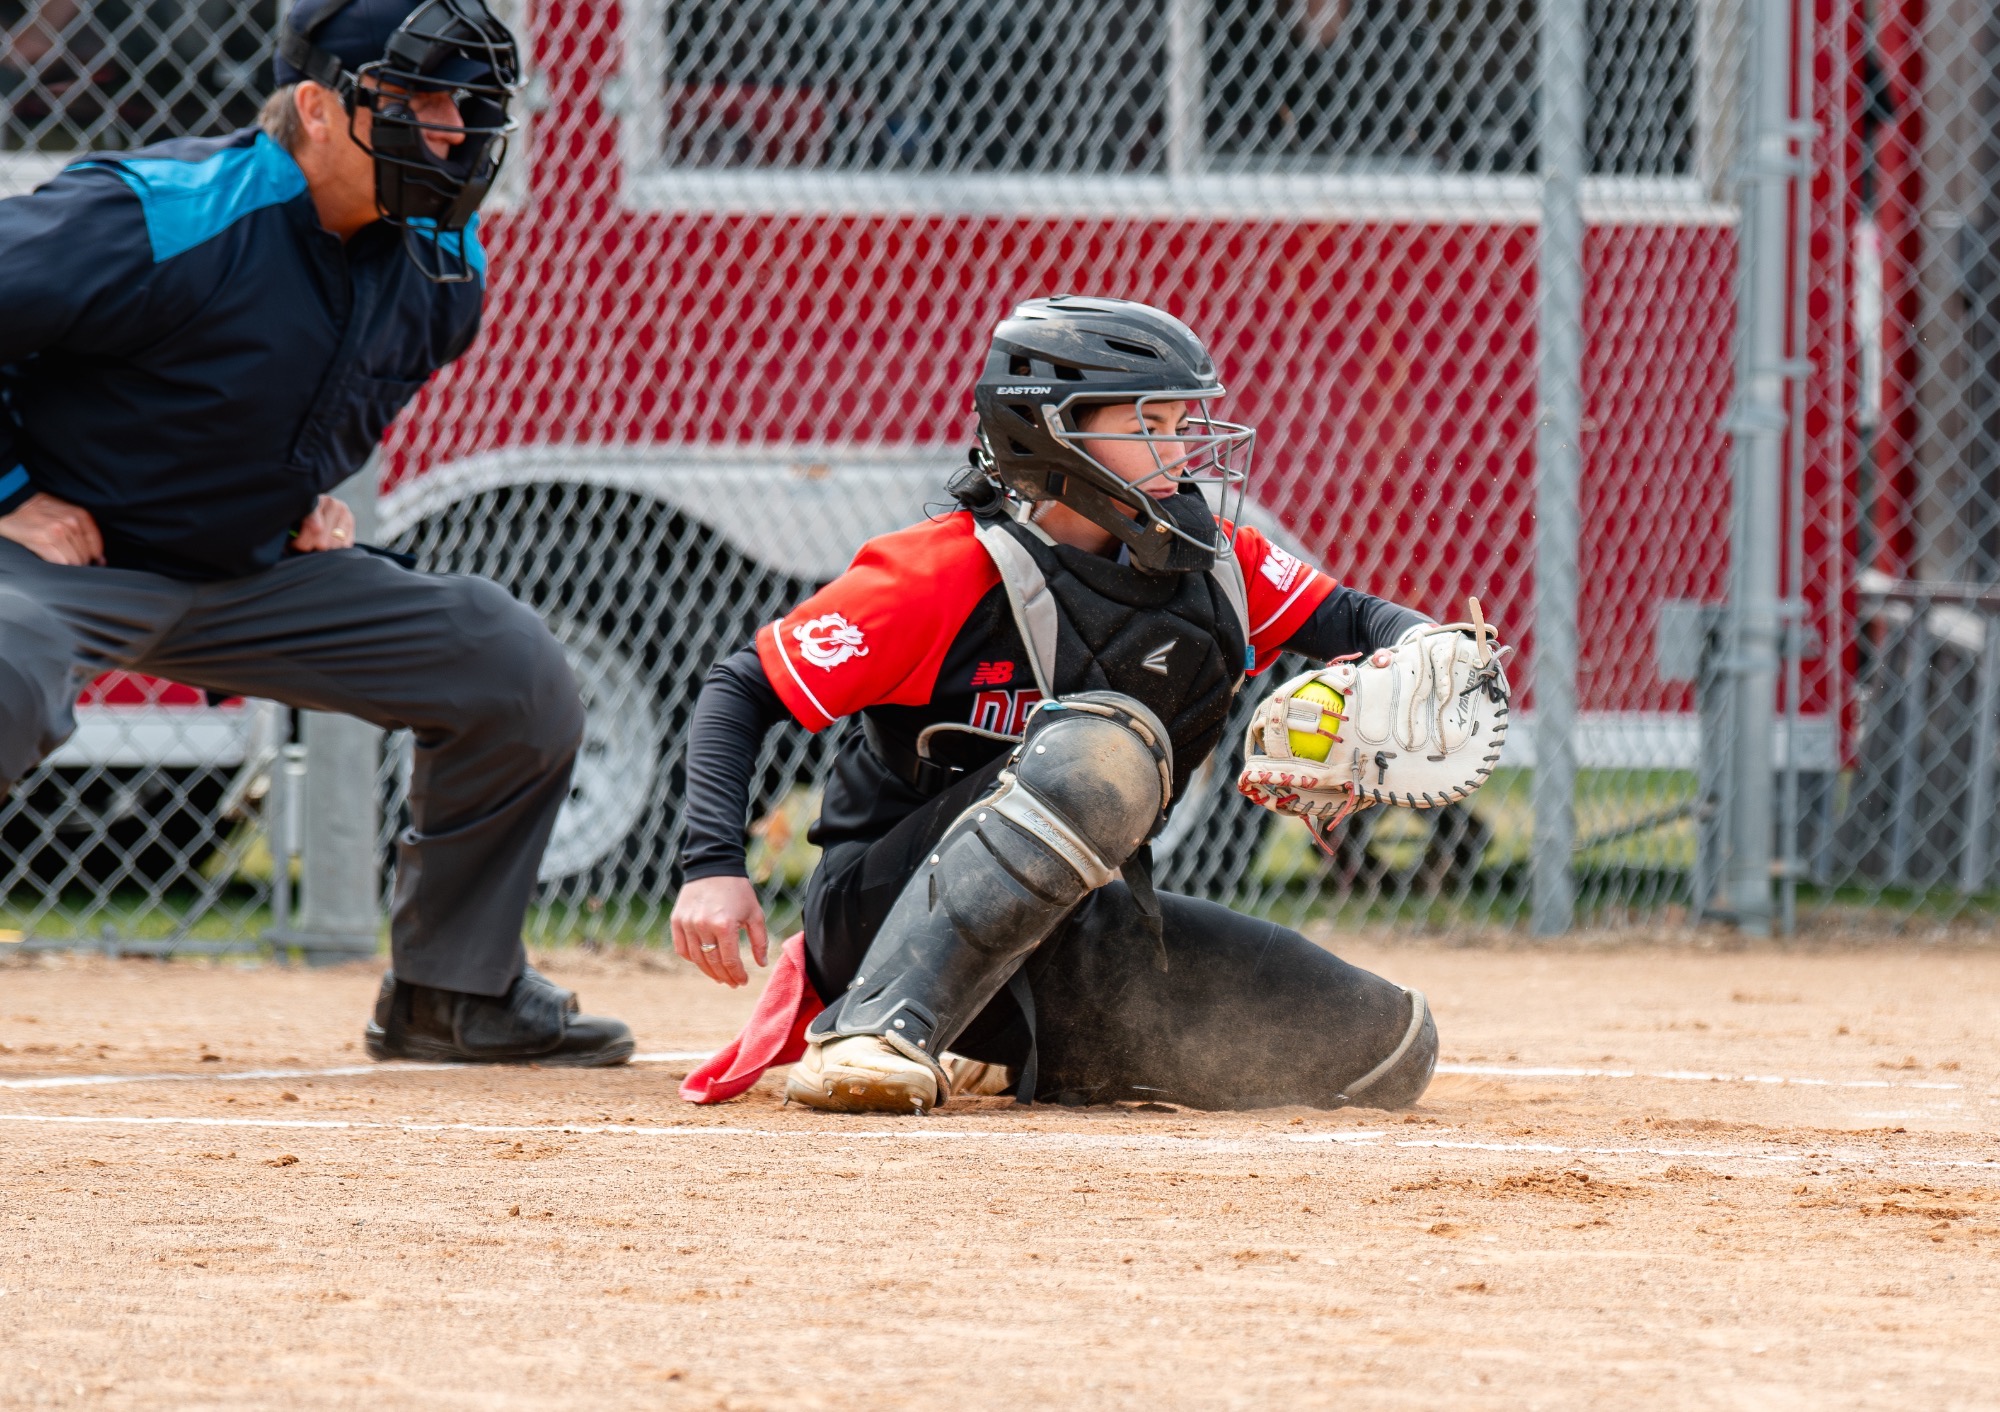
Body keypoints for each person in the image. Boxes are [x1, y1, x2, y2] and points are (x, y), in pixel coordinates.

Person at [0, 0, 632, 1065]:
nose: (450, 128)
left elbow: (299, 390)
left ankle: (451, 992)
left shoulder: (440, 263)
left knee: (508, 665)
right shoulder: (163, 214)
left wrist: (291, 489)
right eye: (417, 98)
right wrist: (11, 487)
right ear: (317, 107)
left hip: (247, 570)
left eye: (465, 103)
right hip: (72, 559)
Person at [671, 295, 1441, 1113]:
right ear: (1055, 430)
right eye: (1152, 422)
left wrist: (1430, 649)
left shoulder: (1210, 564)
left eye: (1184, 422)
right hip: (875, 916)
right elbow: (741, 686)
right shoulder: (943, 573)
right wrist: (712, 868)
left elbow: (1353, 618)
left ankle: (989, 1048)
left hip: (1051, 933)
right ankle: (874, 1029)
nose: (1182, 448)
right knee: (1095, 753)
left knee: (1379, 1046)